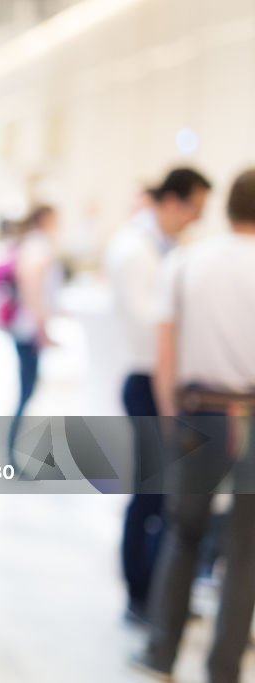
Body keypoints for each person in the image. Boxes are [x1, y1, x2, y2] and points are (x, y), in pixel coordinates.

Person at [132, 169, 255, 683]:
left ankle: (162, 651)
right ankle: (224, 667)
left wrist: (168, 418)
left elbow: (166, 349)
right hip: (250, 414)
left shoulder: (186, 260)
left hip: (196, 410)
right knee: (247, 550)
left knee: (183, 533)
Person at [106, 167, 211, 624]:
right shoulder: (136, 250)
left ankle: (160, 592)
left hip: (163, 382)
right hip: (148, 383)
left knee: (164, 497)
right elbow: (152, 329)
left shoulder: (164, 249)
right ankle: (139, 595)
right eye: (194, 209)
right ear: (172, 201)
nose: (196, 220)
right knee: (148, 496)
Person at [6, 205, 61, 466]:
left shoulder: (32, 243)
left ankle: (14, 451)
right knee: (27, 390)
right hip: (28, 328)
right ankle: (12, 453)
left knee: (28, 389)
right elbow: (32, 286)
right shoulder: (38, 246)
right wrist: (42, 328)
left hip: (26, 326)